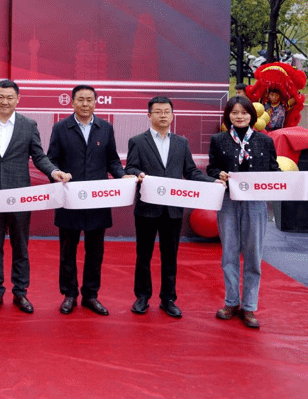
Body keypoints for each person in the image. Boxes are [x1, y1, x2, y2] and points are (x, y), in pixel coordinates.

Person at [0, 79, 70, 314]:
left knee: (20, 247)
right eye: (0, 97)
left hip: (20, 195)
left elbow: (39, 156)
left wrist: (53, 172)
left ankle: (20, 292)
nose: (5, 101)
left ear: (18, 99)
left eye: (10, 97)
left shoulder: (28, 125)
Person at [125, 96, 221, 318]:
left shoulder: (181, 142)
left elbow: (191, 172)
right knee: (143, 255)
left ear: (172, 115)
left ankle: (168, 299)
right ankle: (142, 297)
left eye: (166, 112)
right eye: (158, 112)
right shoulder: (137, 141)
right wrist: (138, 174)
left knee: (170, 256)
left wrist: (212, 181)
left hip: (173, 209)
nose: (163, 116)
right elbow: (130, 167)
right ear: (149, 115)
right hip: (147, 208)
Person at [47, 84, 132, 316]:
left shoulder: (105, 128)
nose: (85, 104)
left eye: (89, 100)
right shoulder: (61, 128)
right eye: (81, 100)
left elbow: (112, 161)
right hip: (69, 200)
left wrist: (123, 176)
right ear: (72, 102)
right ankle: (69, 295)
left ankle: (91, 295)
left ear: (96, 102)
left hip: (97, 200)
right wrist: (57, 173)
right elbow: (52, 160)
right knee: (68, 251)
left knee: (95, 252)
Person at [207, 96, 279, 329]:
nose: (239, 116)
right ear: (228, 115)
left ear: (252, 115)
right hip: (228, 201)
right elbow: (211, 168)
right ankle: (231, 302)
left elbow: (274, 169)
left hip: (256, 203)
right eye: (234, 112)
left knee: (253, 255)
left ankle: (249, 306)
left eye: (244, 112)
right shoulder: (218, 140)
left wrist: (286, 182)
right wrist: (218, 174)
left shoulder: (265, 141)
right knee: (229, 253)